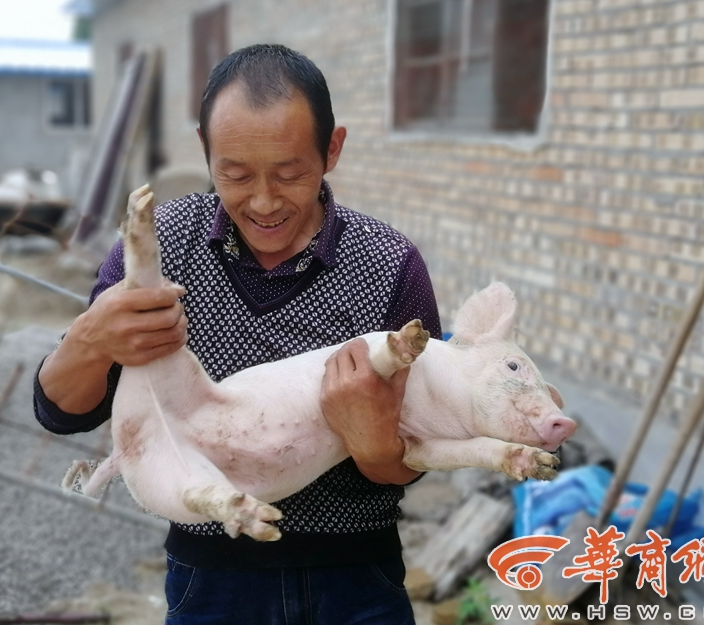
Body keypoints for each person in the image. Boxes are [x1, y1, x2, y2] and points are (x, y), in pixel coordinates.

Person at [34, 43, 442, 624]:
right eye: (235, 174)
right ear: (205, 148)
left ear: (332, 149)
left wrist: (373, 444)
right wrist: (91, 340)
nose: (264, 201)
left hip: (358, 580)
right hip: (210, 583)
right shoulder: (161, 245)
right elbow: (63, 413)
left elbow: (416, 456)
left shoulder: (388, 263)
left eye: (290, 173)